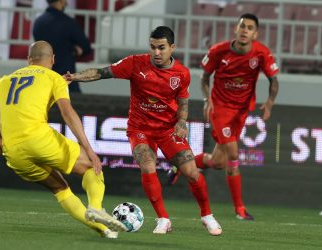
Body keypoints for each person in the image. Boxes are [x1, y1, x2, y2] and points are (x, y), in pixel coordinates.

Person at [64, 26, 222, 236]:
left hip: (167, 130)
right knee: (148, 166)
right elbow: (102, 72)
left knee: (192, 172)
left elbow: (183, 103)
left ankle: (207, 215)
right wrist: (75, 77)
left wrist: (181, 122)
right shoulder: (135, 63)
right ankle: (163, 219)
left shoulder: (181, 74)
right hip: (140, 129)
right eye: (153, 47)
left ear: (172, 48)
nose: (156, 52)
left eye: (161, 48)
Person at [0, 41, 127, 238]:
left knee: (60, 188)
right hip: (38, 138)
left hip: (13, 153)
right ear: (52, 59)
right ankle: (96, 207)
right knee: (89, 166)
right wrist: (89, 149)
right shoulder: (54, 78)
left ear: (29, 60)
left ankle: (104, 231)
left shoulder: (7, 79)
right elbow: (67, 113)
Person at [168, 13, 279, 221]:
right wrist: (206, 99)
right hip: (219, 109)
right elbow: (204, 77)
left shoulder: (262, 53)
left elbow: (274, 80)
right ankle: (240, 209)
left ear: (255, 33)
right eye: (242, 26)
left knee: (218, 162)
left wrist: (270, 103)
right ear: (235, 30)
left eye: (250, 28)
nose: (245, 30)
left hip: (241, 111)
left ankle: (180, 164)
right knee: (234, 154)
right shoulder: (218, 51)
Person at [33, 0, 91, 93]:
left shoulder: (38, 22)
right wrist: (74, 49)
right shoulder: (68, 22)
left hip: (44, 80)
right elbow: (86, 47)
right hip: (66, 80)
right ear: (61, 1)